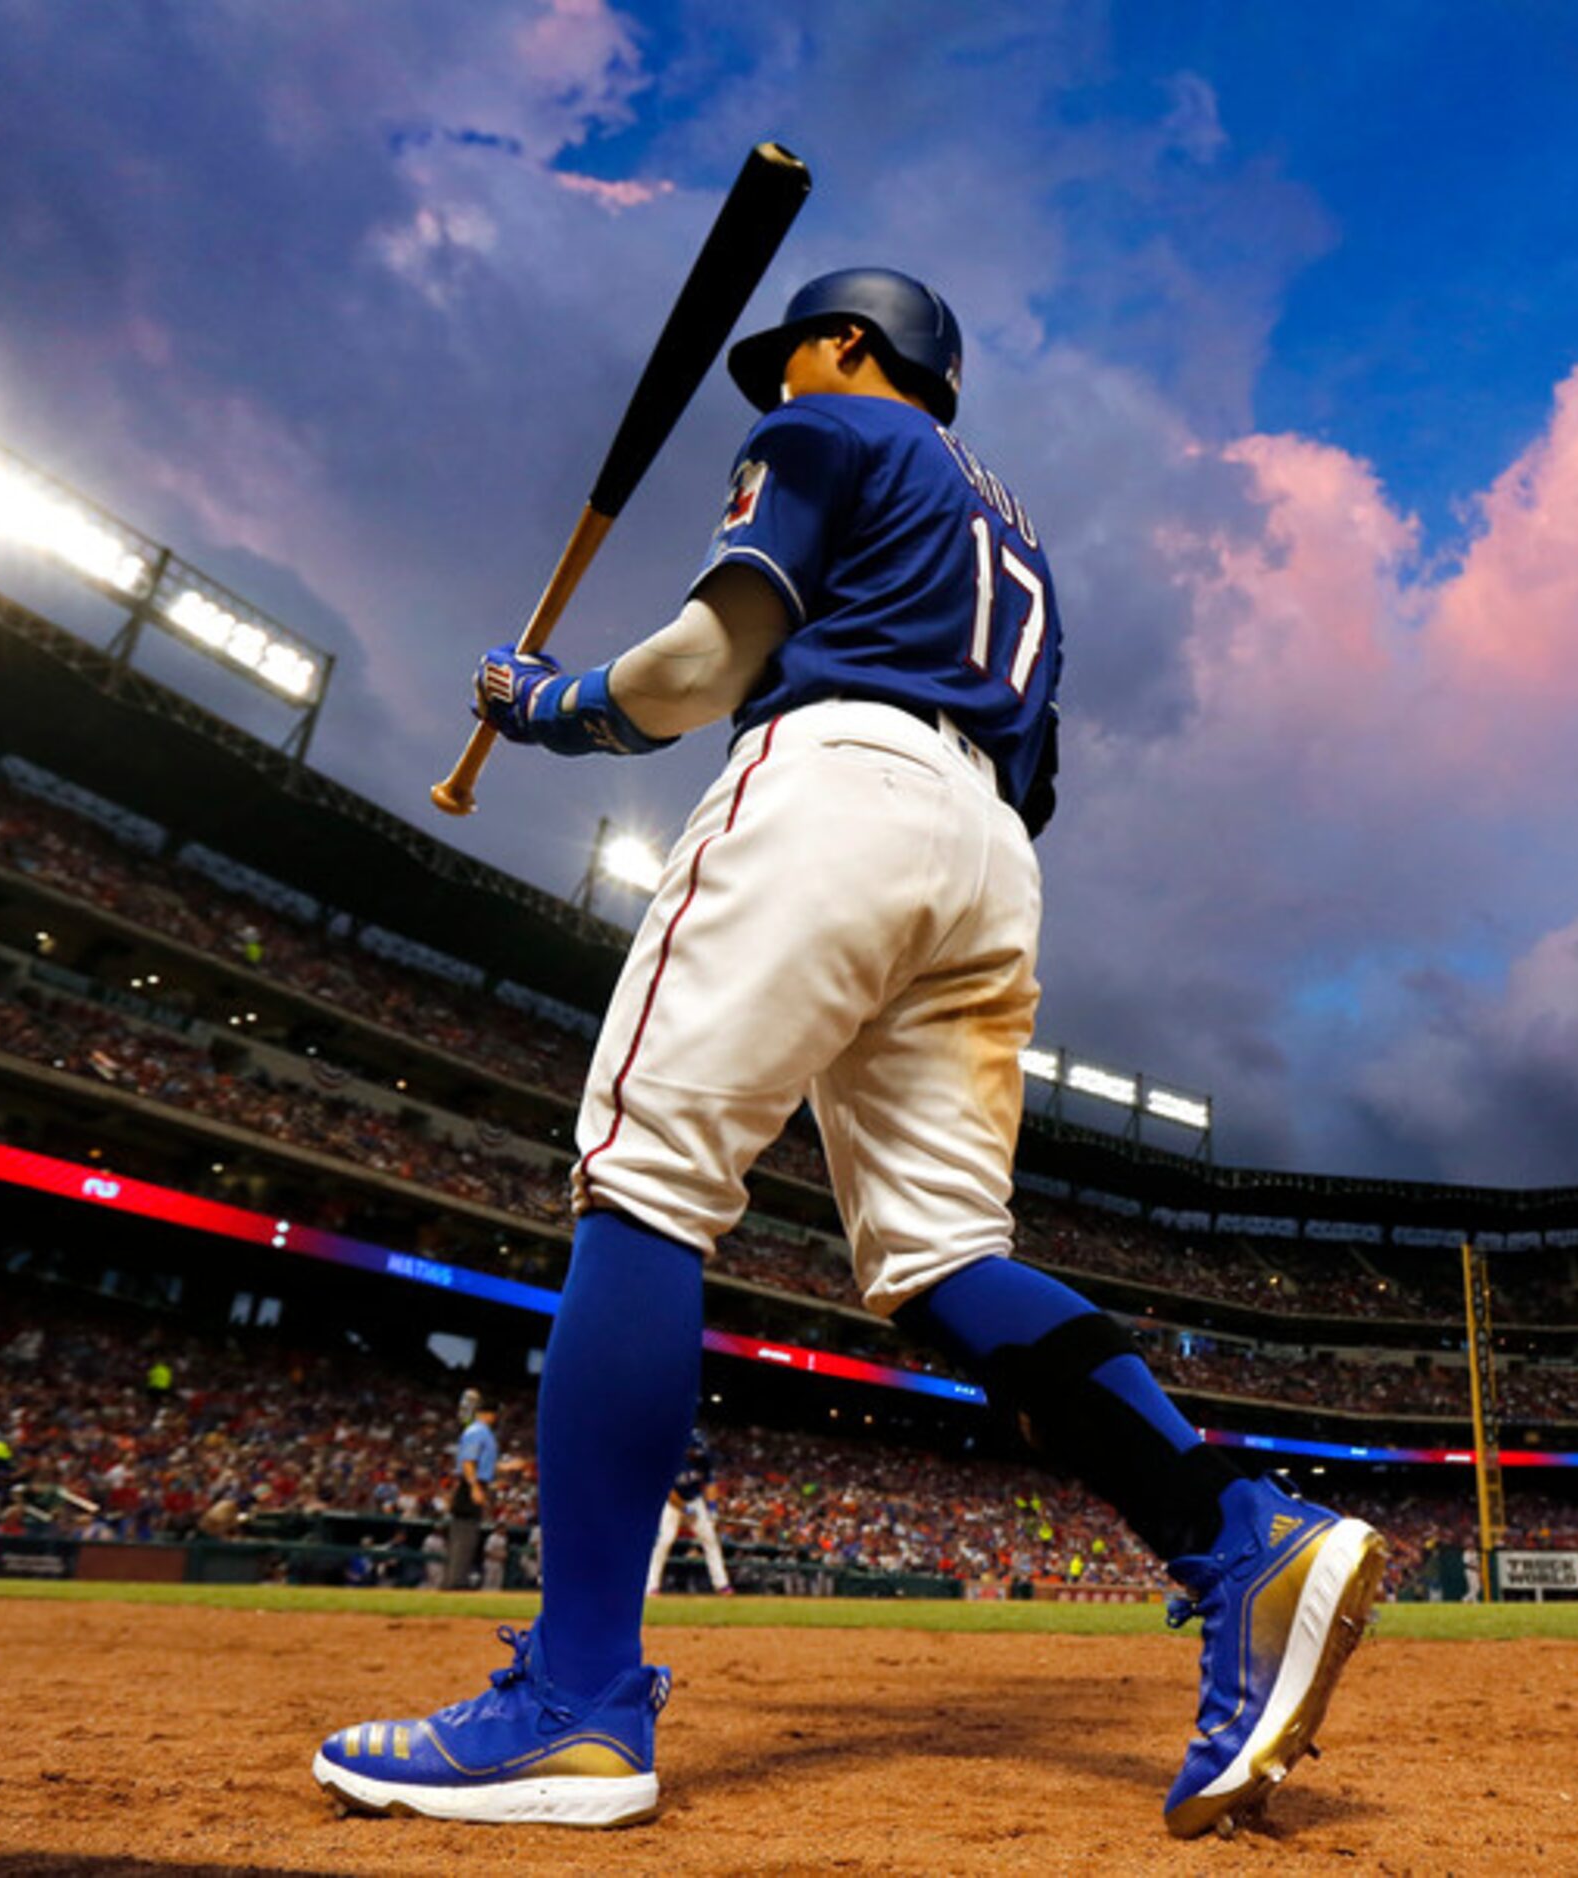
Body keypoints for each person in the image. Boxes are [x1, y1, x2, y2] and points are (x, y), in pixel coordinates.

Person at [313, 268, 1383, 1838]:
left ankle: (576, 1701)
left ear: (855, 348)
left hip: (834, 781)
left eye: (793, 353)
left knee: (645, 1179)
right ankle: (1239, 1534)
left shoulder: (830, 429)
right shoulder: (1015, 543)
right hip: (986, 862)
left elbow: (696, 669)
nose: (775, 383)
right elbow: (1036, 773)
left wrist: (544, 704)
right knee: (947, 1256)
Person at [644, 1433, 730, 1596]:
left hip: (695, 1501)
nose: (698, 1452)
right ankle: (651, 1586)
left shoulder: (704, 1459)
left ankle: (722, 1585)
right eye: (695, 1449)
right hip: (671, 1504)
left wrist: (712, 1508)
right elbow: (668, 1491)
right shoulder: (671, 1460)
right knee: (664, 1541)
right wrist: (683, 1509)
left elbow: (710, 1483)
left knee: (710, 1539)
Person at [445, 1402, 498, 1591]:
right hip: (470, 1484)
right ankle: (455, 1582)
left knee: (469, 1535)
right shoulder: (477, 1431)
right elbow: (468, 1462)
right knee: (463, 1535)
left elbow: (484, 1464)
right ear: (487, 1414)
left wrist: (507, 1467)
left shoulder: (482, 1432)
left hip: (475, 1482)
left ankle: (459, 1580)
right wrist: (474, 1487)